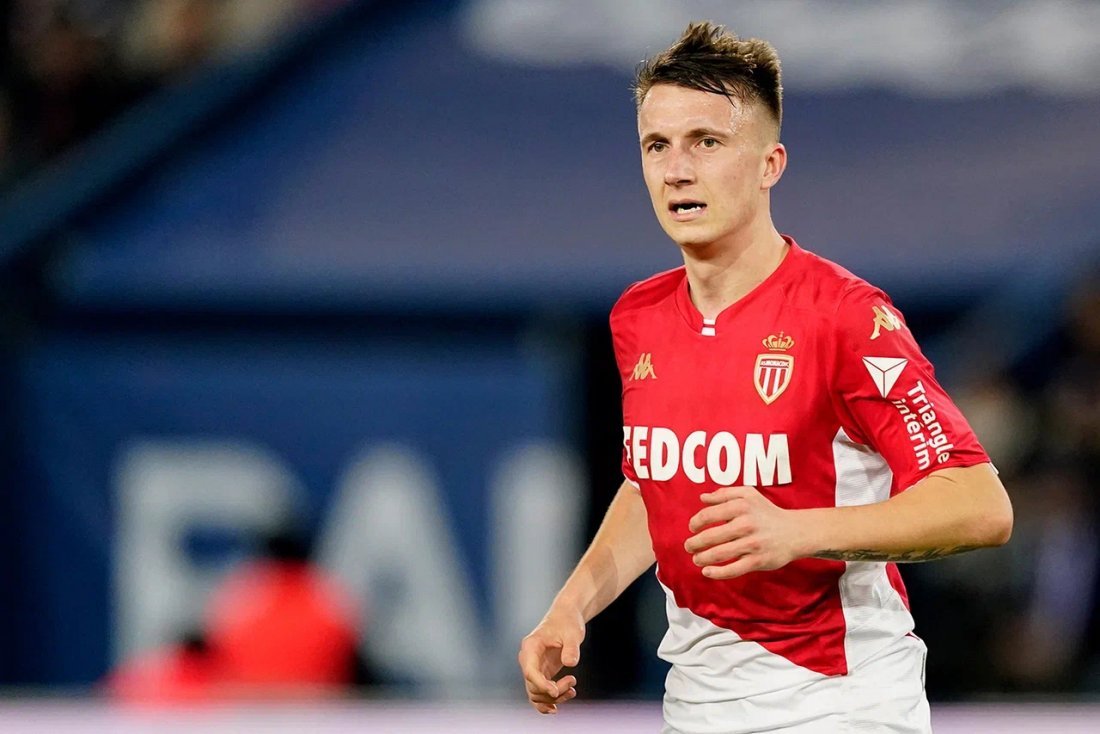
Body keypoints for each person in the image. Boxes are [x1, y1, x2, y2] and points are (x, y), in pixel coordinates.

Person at [518, 21, 1013, 734]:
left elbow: (979, 504)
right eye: (657, 145)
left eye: (706, 143)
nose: (676, 170)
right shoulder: (638, 318)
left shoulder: (846, 317)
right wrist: (571, 606)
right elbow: (655, 484)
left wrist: (799, 531)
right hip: (695, 705)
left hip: (840, 702)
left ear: (769, 164)